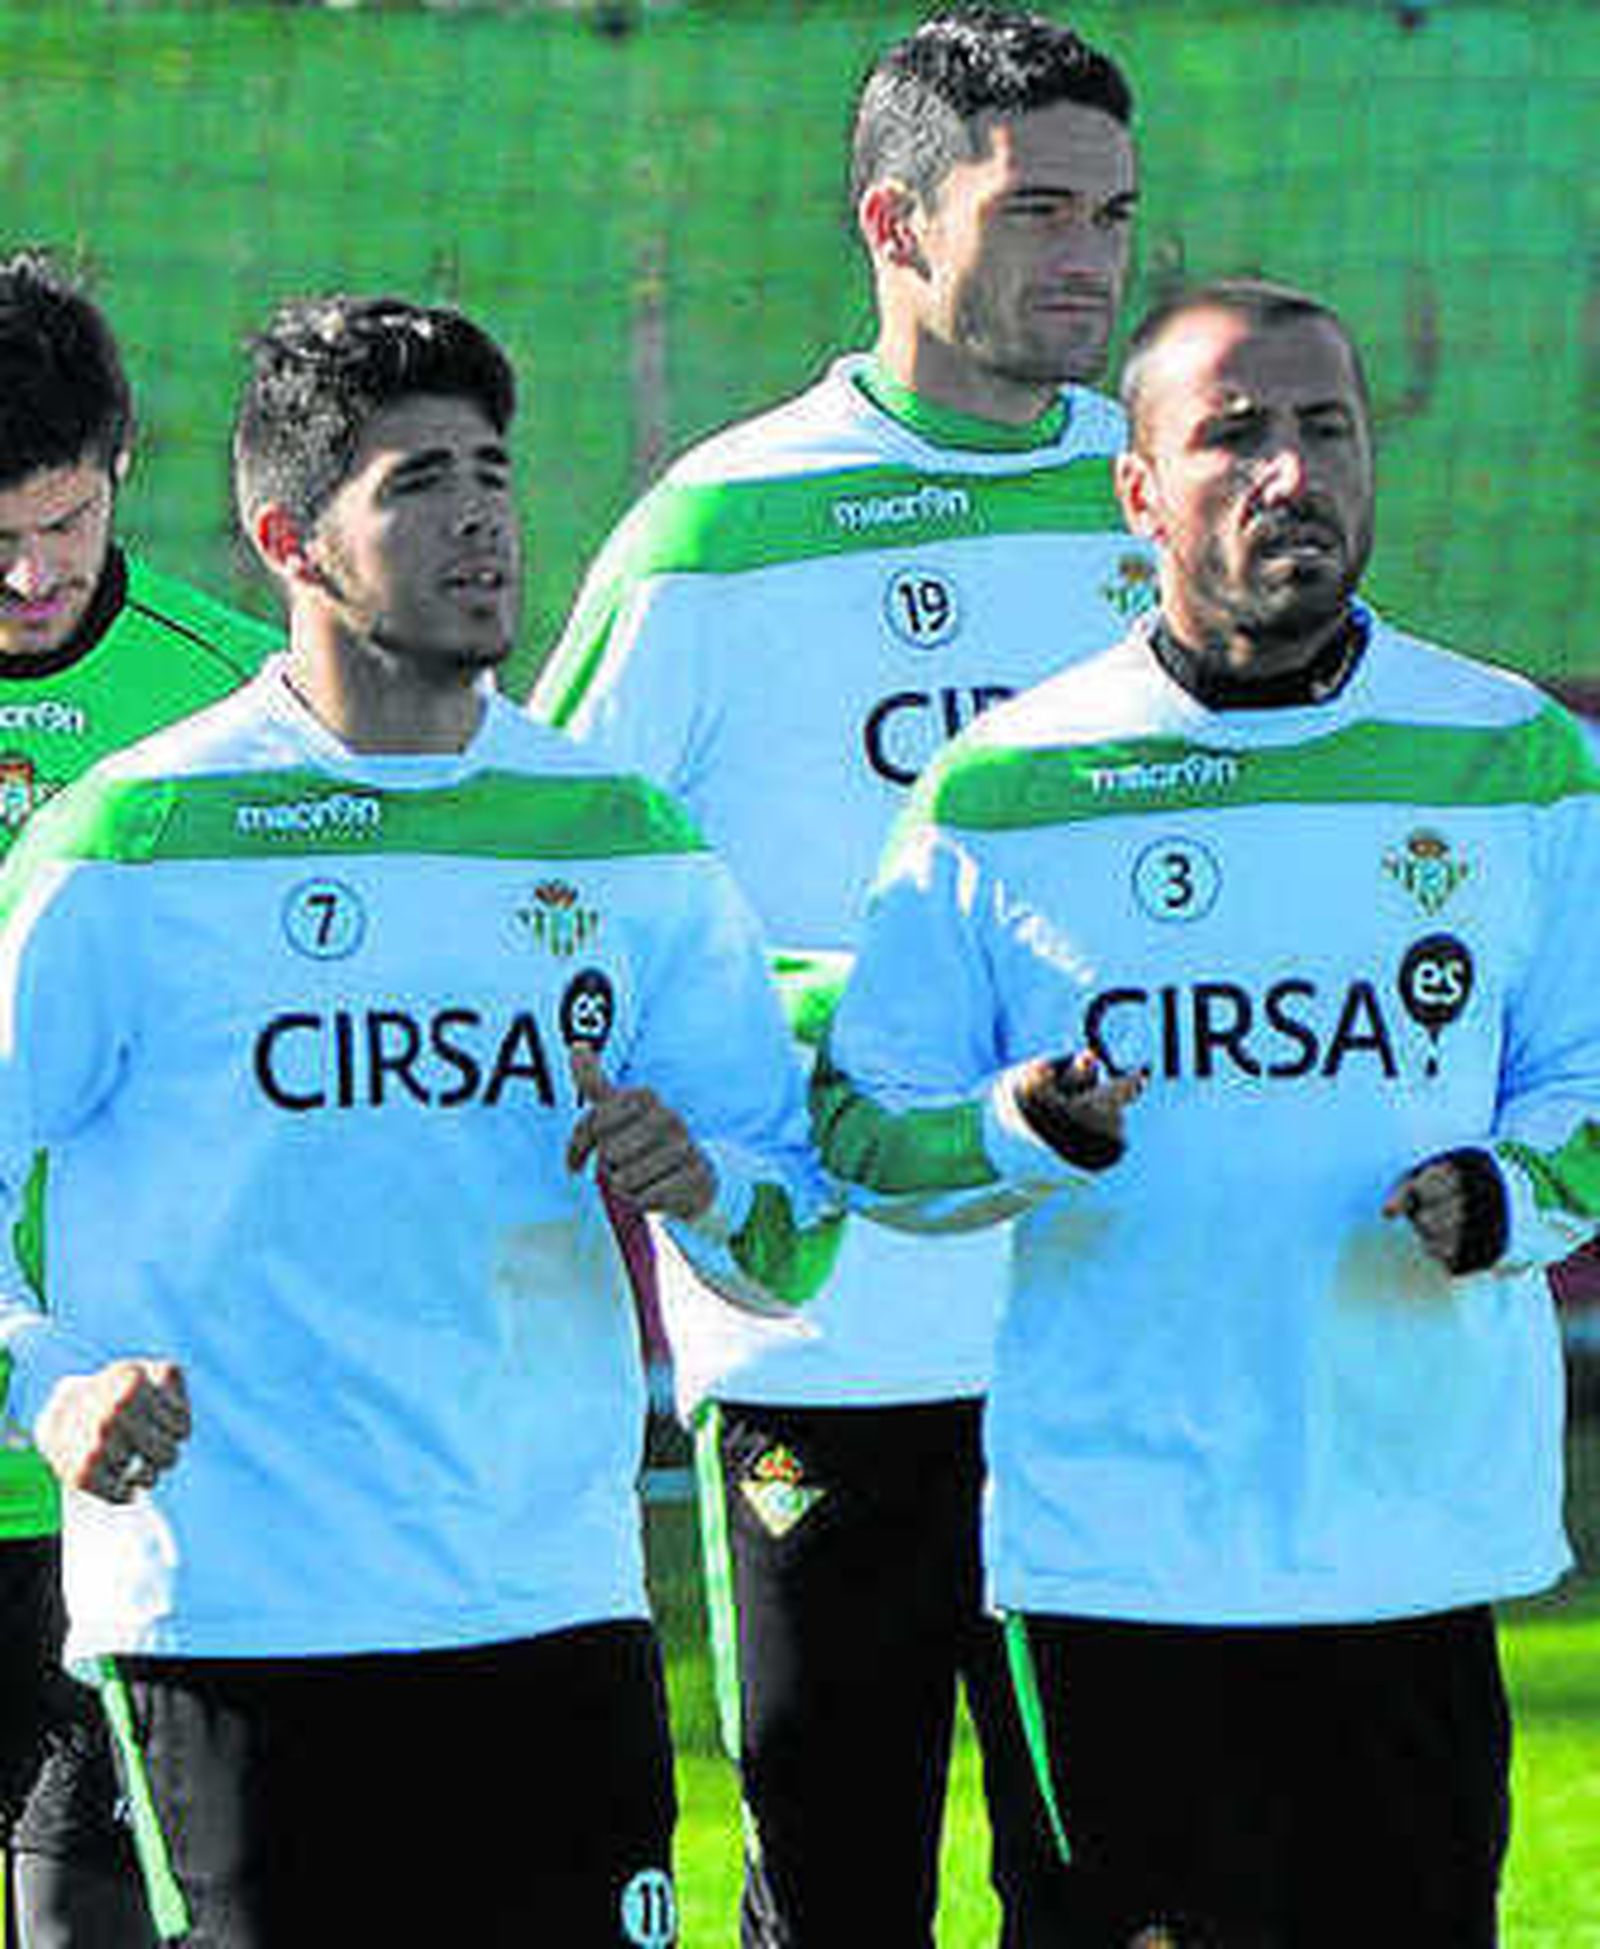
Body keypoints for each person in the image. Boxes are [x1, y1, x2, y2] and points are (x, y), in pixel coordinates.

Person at [0, 293, 840, 1949]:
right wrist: (58, 1385)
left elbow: (792, 1230)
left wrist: (716, 1186)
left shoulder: (624, 838)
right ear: (286, 539)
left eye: (493, 472)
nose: (479, 521)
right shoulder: (134, 844)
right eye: (414, 483)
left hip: (553, 1614)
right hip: (233, 1621)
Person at [813, 276, 1600, 1947]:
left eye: (1325, 428)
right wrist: (1019, 1127)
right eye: (1232, 435)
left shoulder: (1515, 761)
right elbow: (870, 1128)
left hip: (1410, 1535)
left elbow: (1591, 1086)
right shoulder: (1006, 784)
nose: (1288, 473)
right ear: (1139, 489)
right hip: (1118, 1550)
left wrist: (1513, 1192)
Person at [533, 9, 1148, 1940]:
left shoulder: (1164, 501)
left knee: (1128, 1888)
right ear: (894, 219)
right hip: (833, 1347)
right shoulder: (713, 537)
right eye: (1035, 208)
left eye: (1116, 214)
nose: (1091, 261)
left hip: (1127, 1350)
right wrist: (824, 1022)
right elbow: (552, 880)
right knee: (834, 1891)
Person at [0, 250, 278, 1949]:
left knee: (90, 1922)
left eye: (65, 522)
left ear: (122, 472)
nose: (31, 575)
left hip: (125, 1463)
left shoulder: (241, 708)